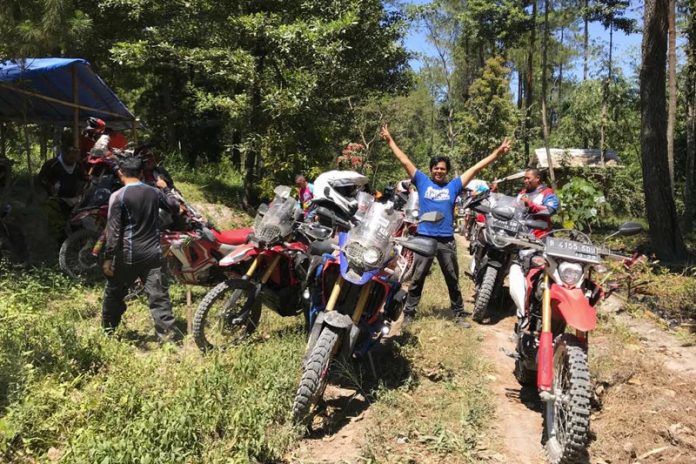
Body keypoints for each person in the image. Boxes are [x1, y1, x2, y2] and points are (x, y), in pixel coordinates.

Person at [381, 124, 511, 327]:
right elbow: (404, 160)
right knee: (417, 278)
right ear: (431, 169)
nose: (439, 171)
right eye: (436, 168)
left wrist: (497, 153)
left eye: (442, 168)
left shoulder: (454, 185)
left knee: (452, 278)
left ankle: (458, 315)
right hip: (424, 237)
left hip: (446, 240)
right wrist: (390, 140)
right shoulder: (422, 181)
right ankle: (409, 314)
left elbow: (476, 168)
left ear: (447, 171)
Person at [101, 155, 181, 342]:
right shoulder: (154, 192)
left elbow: (113, 231)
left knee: (115, 293)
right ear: (140, 173)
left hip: (128, 255)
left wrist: (108, 257)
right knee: (159, 298)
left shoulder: (118, 196)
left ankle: (108, 331)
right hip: (153, 255)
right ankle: (168, 338)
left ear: (121, 173)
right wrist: (166, 188)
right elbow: (174, 207)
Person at [508, 168, 560, 327]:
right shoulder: (522, 193)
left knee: (538, 275)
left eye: (528, 178)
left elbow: (550, 210)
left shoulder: (547, 193)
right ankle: (521, 310)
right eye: (524, 178)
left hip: (539, 241)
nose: (525, 181)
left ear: (537, 178)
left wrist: (530, 205)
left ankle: (536, 313)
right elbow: (513, 209)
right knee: (517, 273)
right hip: (520, 239)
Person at [37, 131, 87, 239]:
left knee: (79, 224)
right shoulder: (51, 165)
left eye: (75, 154)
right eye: (70, 154)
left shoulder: (79, 165)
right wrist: (50, 187)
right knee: (57, 226)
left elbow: (84, 179)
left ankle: (77, 240)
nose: (73, 157)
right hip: (57, 201)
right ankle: (60, 241)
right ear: (63, 153)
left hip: (76, 201)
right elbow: (41, 180)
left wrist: (83, 188)